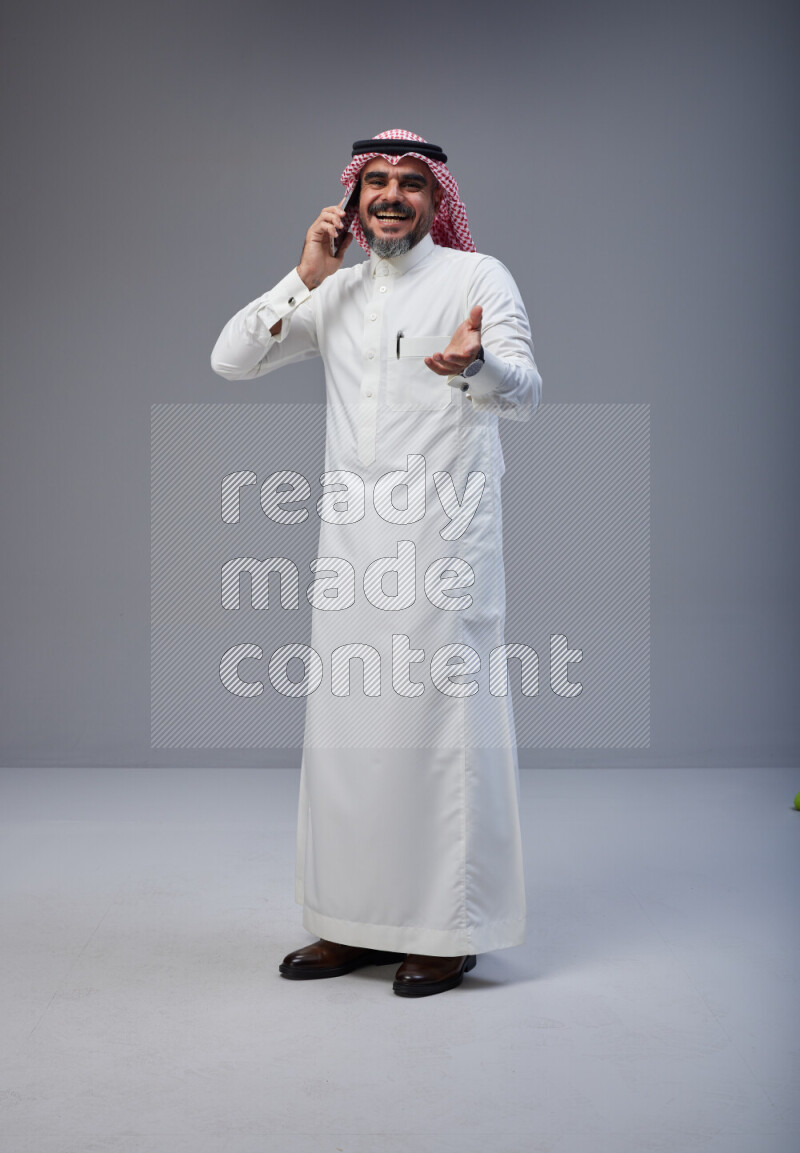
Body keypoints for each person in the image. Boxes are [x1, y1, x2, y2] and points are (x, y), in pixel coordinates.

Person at [211, 130, 542, 997]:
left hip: (443, 542)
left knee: (440, 733)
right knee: (352, 737)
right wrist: (305, 276)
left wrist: (479, 365)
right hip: (352, 549)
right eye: (376, 183)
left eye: (411, 184)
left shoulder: (479, 278)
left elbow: (529, 392)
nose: (392, 196)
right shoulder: (339, 291)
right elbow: (232, 358)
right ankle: (350, 923)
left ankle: (449, 930)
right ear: (354, 201)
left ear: (438, 201)